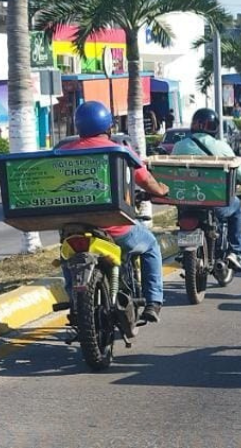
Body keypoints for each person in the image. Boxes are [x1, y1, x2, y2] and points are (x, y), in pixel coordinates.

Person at [59, 101, 168, 323]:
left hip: (74, 229)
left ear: (78, 127)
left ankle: (75, 303)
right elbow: (146, 181)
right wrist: (162, 191)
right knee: (151, 246)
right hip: (116, 231)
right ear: (109, 126)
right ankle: (153, 301)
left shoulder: (62, 152)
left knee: (67, 257)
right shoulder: (119, 151)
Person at [172, 109, 241, 271]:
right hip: (215, 203)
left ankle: (184, 250)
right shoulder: (221, 147)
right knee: (236, 207)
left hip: (185, 201)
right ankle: (236, 251)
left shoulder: (179, 146)